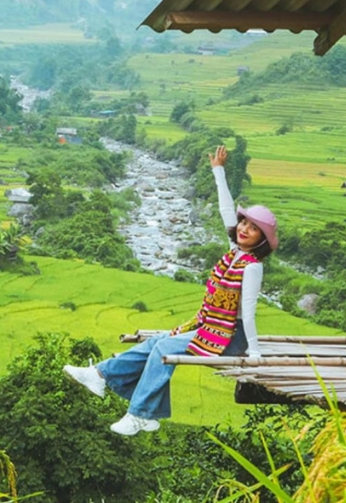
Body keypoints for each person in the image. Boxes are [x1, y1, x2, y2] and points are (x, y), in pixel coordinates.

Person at [63, 145, 279, 436]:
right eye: (243, 223)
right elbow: (225, 209)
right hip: (212, 327)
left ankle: (139, 414)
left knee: (165, 346)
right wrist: (218, 170)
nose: (243, 228)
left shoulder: (252, 266)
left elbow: (249, 312)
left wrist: (254, 351)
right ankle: (101, 374)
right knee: (159, 342)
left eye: (253, 229)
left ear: (261, 240)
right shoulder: (235, 252)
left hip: (231, 336)